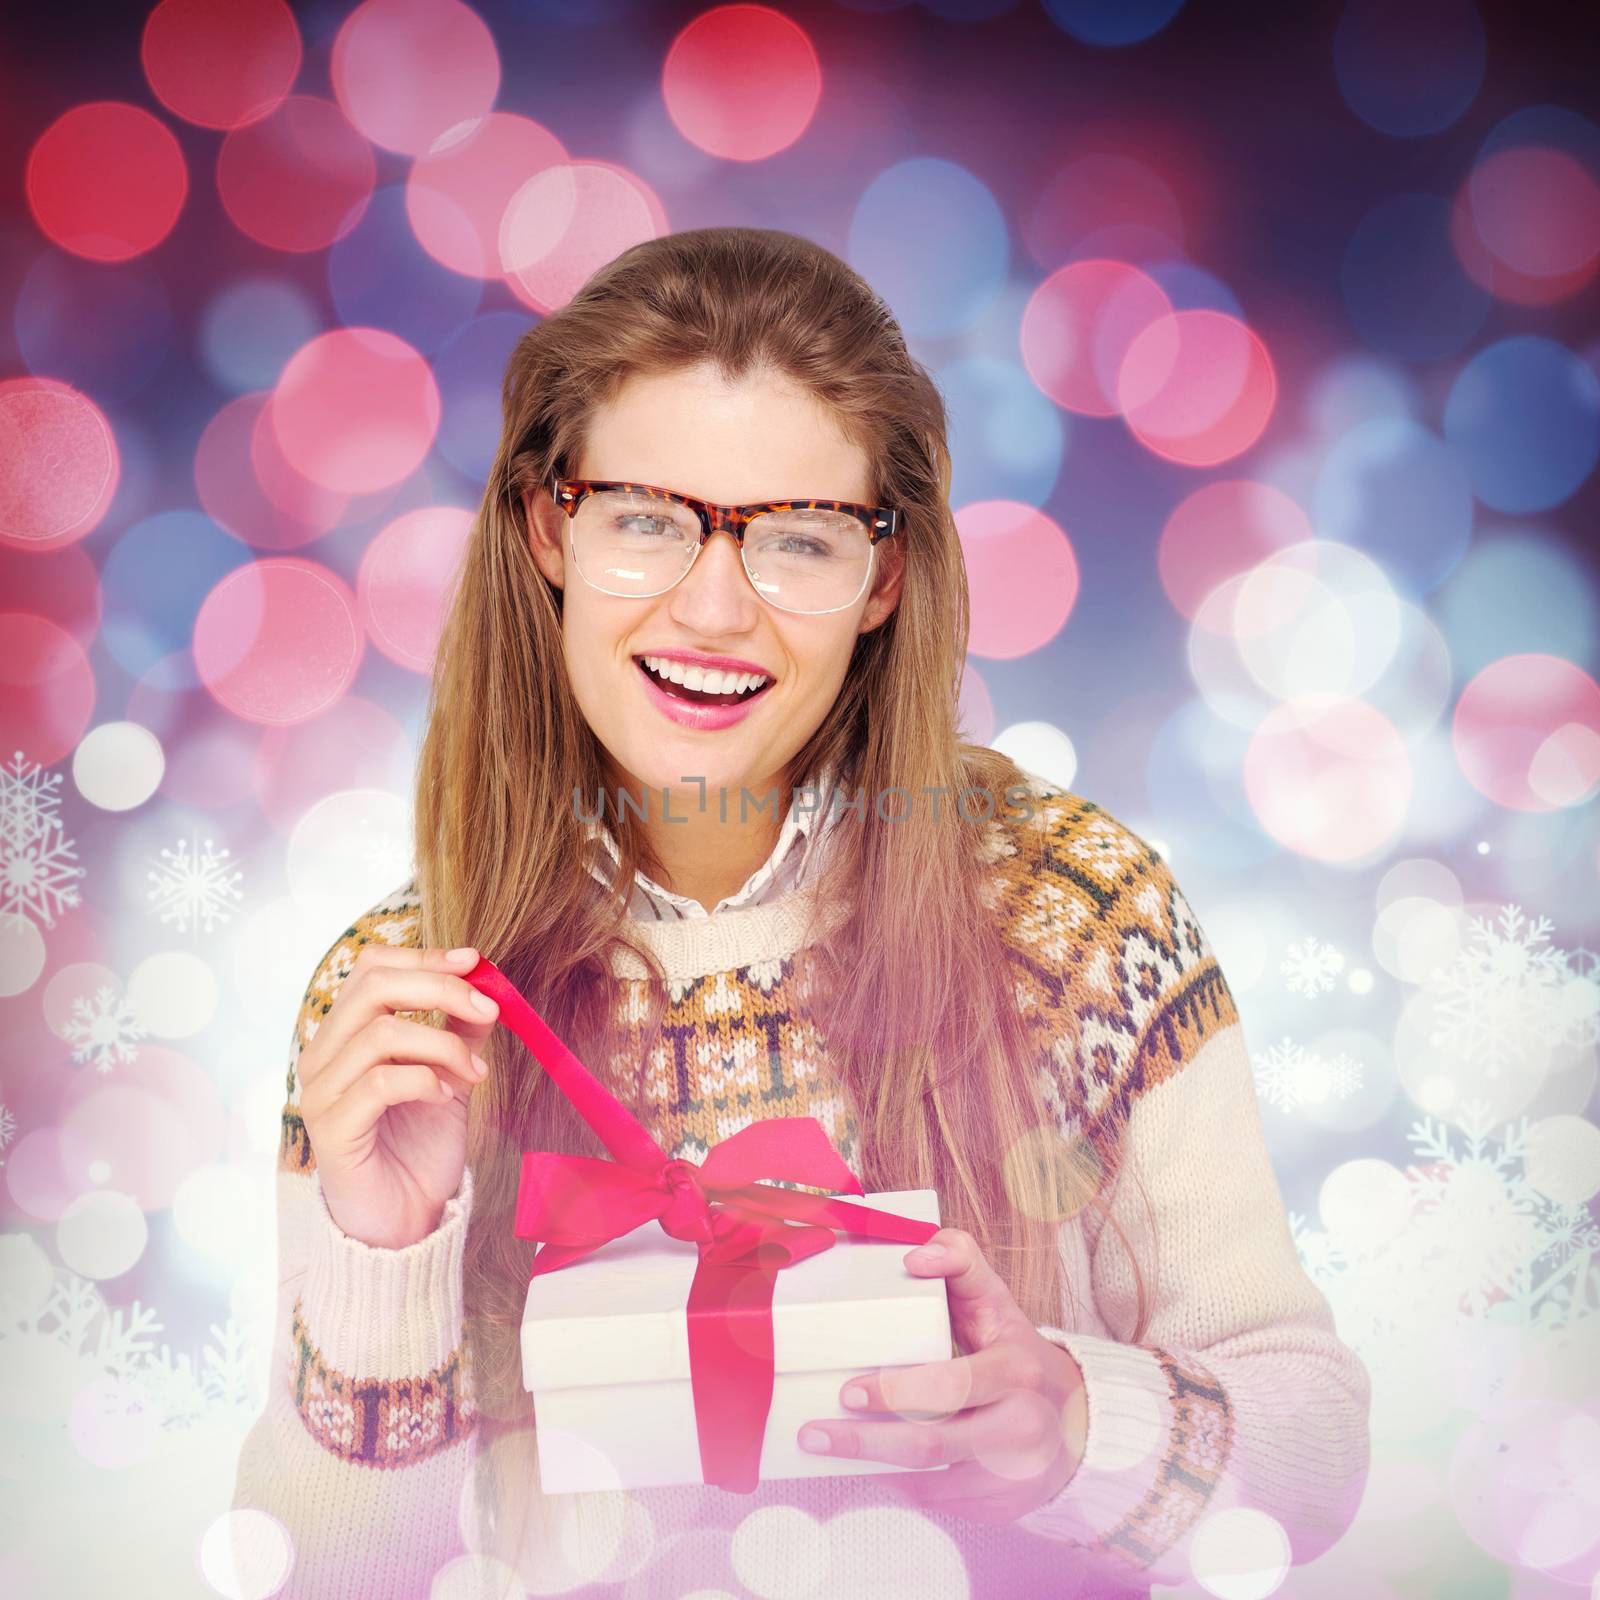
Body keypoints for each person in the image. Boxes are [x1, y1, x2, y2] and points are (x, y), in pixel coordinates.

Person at [230, 227, 1371, 1600]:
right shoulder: (403, 1000)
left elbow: (1315, 1459)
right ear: (548, 527)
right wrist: (384, 1257)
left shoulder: (1074, 914)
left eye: (799, 539)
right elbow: (316, 1579)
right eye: (646, 517)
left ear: (883, 577)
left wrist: (1077, 1426)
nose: (714, 608)